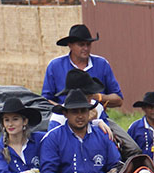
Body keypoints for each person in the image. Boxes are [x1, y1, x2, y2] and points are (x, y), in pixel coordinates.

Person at [42, 24, 140, 157]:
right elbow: (45, 100)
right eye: (81, 44)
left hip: (98, 116)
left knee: (133, 149)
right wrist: (67, 111)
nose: (86, 48)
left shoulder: (102, 64)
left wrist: (96, 97)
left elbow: (118, 99)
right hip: (64, 119)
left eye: (88, 44)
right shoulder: (55, 66)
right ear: (70, 45)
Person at [40, 89, 120, 173]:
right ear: (65, 114)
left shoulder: (103, 135)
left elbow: (115, 166)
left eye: (83, 110)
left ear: (89, 112)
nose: (80, 116)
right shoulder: (53, 137)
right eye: (74, 112)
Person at [0, 96, 58, 173]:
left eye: (15, 119)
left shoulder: (40, 139)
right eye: (7, 120)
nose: (10, 124)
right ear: (3, 124)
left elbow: (57, 138)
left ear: (25, 121)